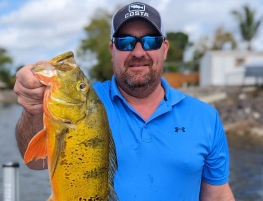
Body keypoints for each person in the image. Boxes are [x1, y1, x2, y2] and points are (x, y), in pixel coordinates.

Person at [14, 2, 235, 201]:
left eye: (150, 41)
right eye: (125, 42)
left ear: (164, 49)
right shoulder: (90, 101)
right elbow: (35, 162)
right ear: (112, 50)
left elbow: (218, 196)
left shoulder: (205, 117)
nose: (138, 52)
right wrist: (33, 106)